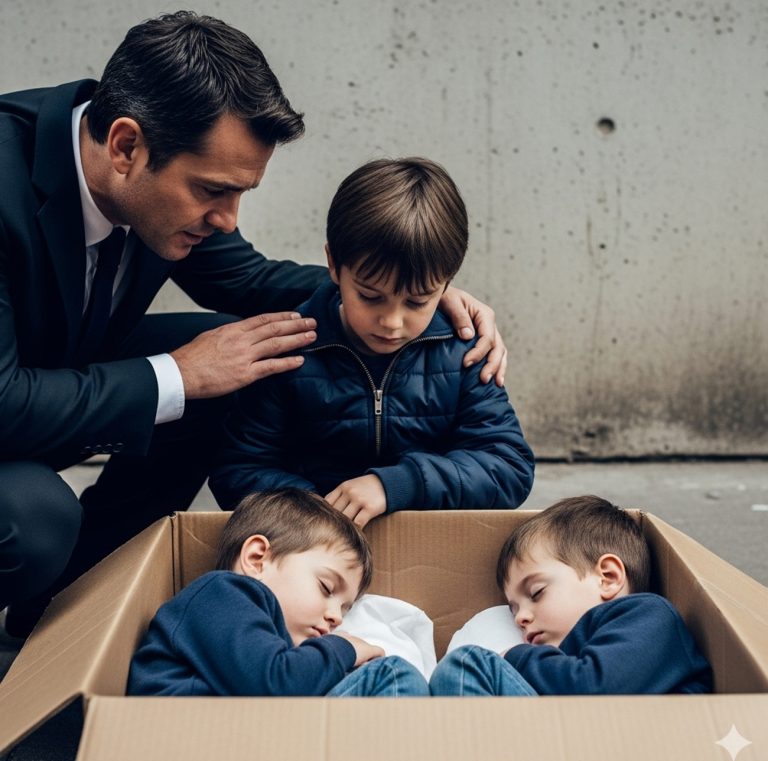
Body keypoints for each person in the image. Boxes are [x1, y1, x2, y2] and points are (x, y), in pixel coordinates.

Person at [0, 11, 507, 636]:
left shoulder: (152, 182)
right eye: (214, 191)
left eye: (242, 193)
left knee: (243, 355)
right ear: (127, 146)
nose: (229, 219)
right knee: (33, 519)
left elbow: (253, 281)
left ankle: (70, 605)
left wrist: (413, 293)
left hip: (44, 374)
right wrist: (179, 375)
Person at [209, 158, 535, 527]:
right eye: (369, 296)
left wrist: (400, 484)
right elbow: (239, 468)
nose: (391, 322)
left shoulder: (464, 352)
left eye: (416, 301)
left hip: (426, 540)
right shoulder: (288, 351)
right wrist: (313, 510)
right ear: (334, 265)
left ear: (447, 282)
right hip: (309, 540)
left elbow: (508, 467)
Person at [127, 488, 429, 697]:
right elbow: (273, 683)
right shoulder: (221, 594)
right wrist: (344, 648)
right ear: (257, 559)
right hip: (186, 737)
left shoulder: (269, 646)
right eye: (326, 587)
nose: (336, 618)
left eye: (345, 608)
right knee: (392, 674)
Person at [429, 495, 712, 695]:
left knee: (467, 665)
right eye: (513, 609)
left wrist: (515, 657)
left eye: (536, 593)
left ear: (608, 578)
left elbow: (594, 687)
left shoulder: (650, 616)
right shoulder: (565, 655)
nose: (520, 618)